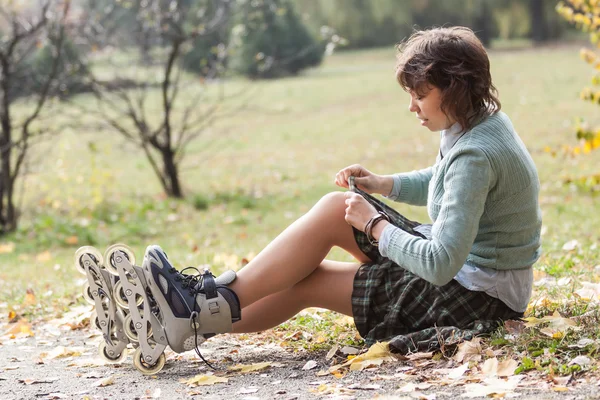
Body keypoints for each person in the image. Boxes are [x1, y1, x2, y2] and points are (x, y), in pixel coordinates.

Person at [127, 26, 543, 367]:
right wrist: (384, 184)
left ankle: (195, 313)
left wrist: (375, 224)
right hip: (467, 272)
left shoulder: (475, 153)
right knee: (335, 208)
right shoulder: (476, 123)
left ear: (453, 88)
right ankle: (198, 305)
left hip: (477, 299)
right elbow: (445, 181)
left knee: (309, 281)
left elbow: (439, 264)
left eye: (420, 94)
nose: (412, 107)